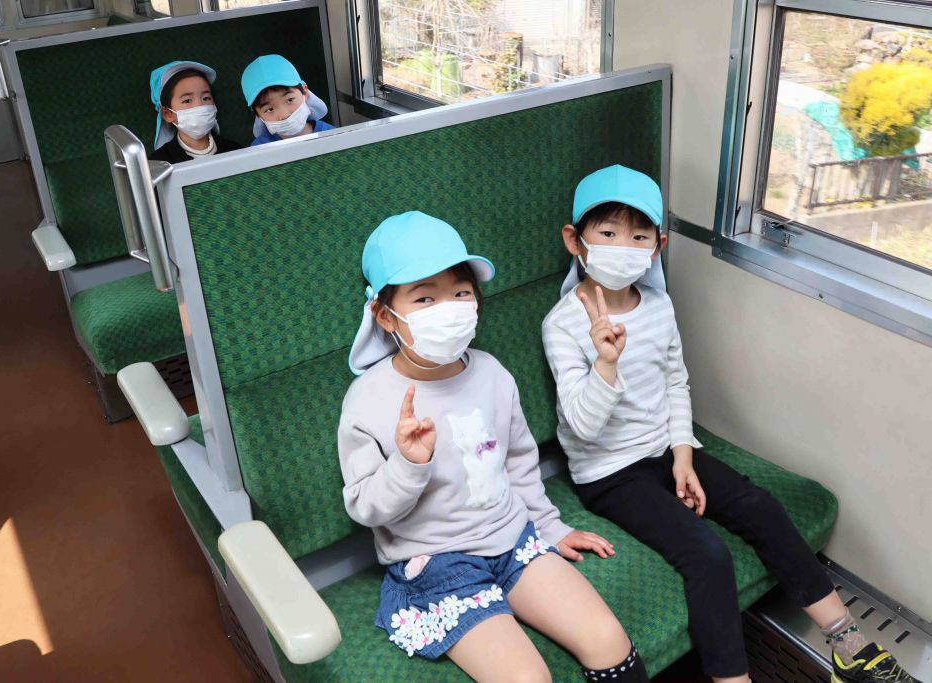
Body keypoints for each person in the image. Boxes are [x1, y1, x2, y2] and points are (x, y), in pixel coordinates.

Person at [541, 164, 921, 683]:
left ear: (657, 246)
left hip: (665, 449)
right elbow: (583, 430)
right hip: (610, 473)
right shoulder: (562, 324)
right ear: (575, 240)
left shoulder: (658, 304)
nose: (623, 246)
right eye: (607, 234)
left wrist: (682, 457)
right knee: (706, 554)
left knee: (761, 507)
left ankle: (848, 648)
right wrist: (606, 364)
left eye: (639, 236)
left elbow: (675, 383)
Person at [339, 211, 648, 683]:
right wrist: (407, 464)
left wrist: (550, 526)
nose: (449, 307)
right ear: (386, 315)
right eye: (425, 298)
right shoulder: (368, 399)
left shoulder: (492, 373)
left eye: (461, 293)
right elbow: (364, 506)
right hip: (438, 562)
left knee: (608, 638)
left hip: (513, 538)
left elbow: (518, 462)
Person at [148, 60, 243, 163]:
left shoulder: (236, 151)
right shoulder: (159, 163)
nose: (200, 105)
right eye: (187, 100)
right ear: (168, 114)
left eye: (206, 98)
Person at [240, 54, 334, 147]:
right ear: (257, 114)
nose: (284, 115)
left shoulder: (332, 135)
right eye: (270, 109)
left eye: (290, 100)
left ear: (304, 91)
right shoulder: (259, 150)